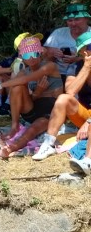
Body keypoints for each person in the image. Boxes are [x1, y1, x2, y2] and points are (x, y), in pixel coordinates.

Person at [0, 36, 64, 159]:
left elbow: (26, 79)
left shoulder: (49, 66)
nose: (32, 58)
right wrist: (38, 92)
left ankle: (10, 149)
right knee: (17, 87)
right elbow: (27, 94)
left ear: (40, 52)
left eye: (34, 53)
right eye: (27, 55)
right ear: (22, 57)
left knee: (33, 129)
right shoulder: (24, 71)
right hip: (32, 108)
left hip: (50, 112)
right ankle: (15, 125)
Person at [31, 30, 91, 161]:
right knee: (63, 99)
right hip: (85, 113)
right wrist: (86, 68)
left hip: (89, 120)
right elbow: (70, 91)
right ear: (83, 52)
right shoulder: (76, 67)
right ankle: (48, 144)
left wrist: (89, 122)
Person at [43, 2, 91, 80]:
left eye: (77, 19)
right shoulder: (59, 33)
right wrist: (53, 51)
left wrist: (79, 58)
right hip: (58, 74)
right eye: (70, 20)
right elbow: (44, 52)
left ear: (86, 19)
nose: (73, 23)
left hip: (85, 76)